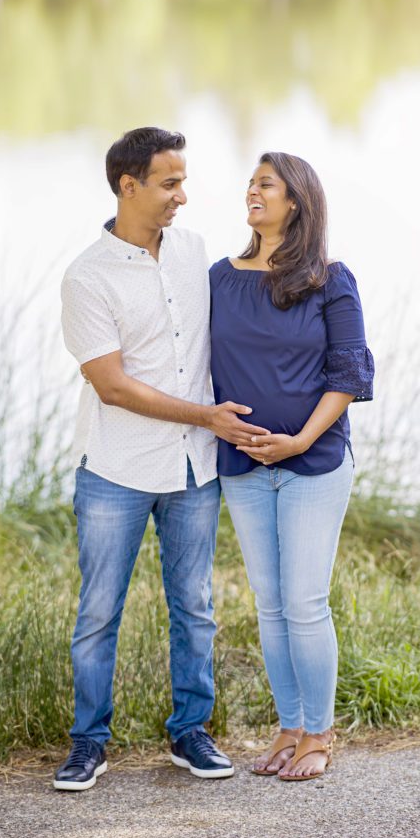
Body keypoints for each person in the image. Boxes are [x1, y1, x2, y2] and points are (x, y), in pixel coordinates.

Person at [55, 127, 269, 791]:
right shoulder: (86, 277)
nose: (183, 194)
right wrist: (206, 415)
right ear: (129, 186)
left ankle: (189, 732)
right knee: (98, 614)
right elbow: (113, 385)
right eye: (169, 182)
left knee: (195, 606)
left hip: (193, 469)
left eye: (183, 180)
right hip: (116, 470)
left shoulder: (196, 252)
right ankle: (89, 743)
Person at [210, 152, 374, 781]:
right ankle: (288, 727)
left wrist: (300, 439)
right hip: (242, 463)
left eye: (266, 185)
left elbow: (350, 370)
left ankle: (320, 734)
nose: (252, 192)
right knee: (271, 603)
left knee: (305, 601)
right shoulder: (220, 278)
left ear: (296, 202)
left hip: (315, 461)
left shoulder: (330, 278)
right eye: (250, 183)